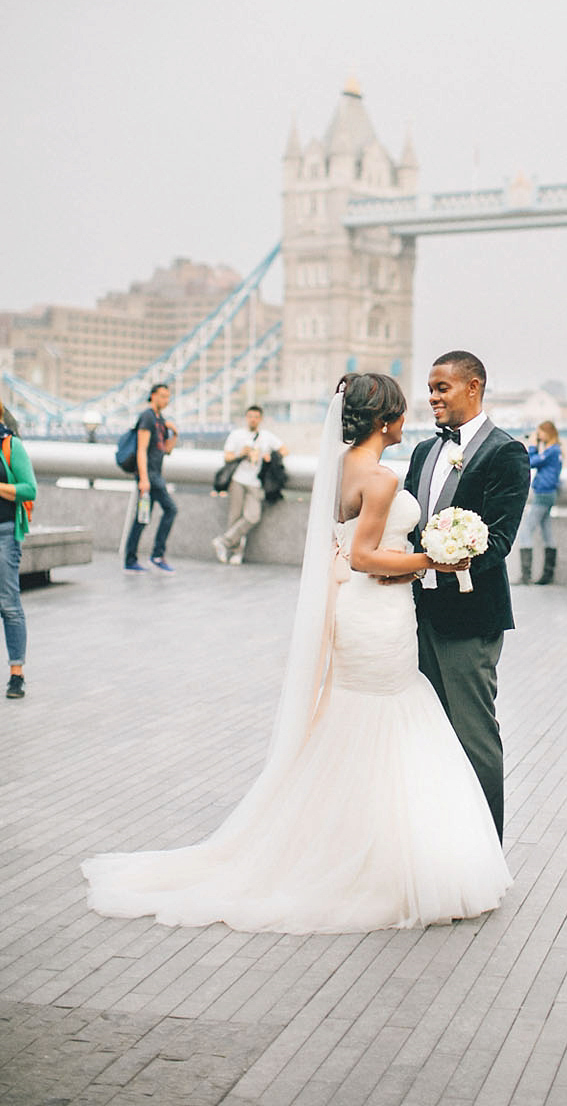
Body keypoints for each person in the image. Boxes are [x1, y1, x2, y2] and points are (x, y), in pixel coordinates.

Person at [83, 373, 511, 932]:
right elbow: (363, 556)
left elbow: (344, 547)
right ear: (385, 420)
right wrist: (433, 562)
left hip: (357, 612)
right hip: (377, 613)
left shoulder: (338, 470)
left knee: (359, 722)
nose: (410, 419)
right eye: (402, 411)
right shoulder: (380, 479)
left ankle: (349, 845)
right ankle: (381, 859)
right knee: (390, 717)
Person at [404, 351, 530, 841]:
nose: (432, 397)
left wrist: (450, 557)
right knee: (428, 733)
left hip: (470, 618)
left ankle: (484, 850)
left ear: (473, 387)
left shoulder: (506, 452)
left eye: (442, 388)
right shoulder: (422, 452)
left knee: (474, 736)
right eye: (430, 389)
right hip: (418, 615)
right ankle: (439, 841)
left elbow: (499, 541)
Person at [213, 405, 288, 565]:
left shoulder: (266, 436)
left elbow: (284, 450)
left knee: (253, 516)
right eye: (250, 416)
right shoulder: (237, 435)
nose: (253, 419)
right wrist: (242, 454)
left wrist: (271, 455)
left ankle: (224, 541)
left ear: (260, 419)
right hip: (238, 479)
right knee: (234, 516)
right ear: (246, 418)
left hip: (255, 481)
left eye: (256, 417)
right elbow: (227, 456)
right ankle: (235, 553)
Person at [0, 400, 36, 699]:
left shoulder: (12, 446)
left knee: (8, 603)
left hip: (5, 533)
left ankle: (16, 674)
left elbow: (29, 489)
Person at [123, 383, 178, 574]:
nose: (165, 400)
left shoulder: (160, 419)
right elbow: (141, 450)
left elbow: (167, 450)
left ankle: (131, 560)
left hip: (155, 475)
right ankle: (156, 555)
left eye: (167, 396)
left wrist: (175, 433)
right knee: (171, 509)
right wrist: (144, 479)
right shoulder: (147, 417)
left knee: (142, 518)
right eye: (162, 396)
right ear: (153, 396)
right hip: (150, 478)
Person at [517, 420, 563, 585]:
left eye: (540, 432)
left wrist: (532, 446)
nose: (538, 436)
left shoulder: (552, 451)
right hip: (549, 494)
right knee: (547, 532)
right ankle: (547, 575)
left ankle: (526, 575)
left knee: (526, 531)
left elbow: (530, 462)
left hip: (543, 494)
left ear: (547, 433)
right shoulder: (556, 450)